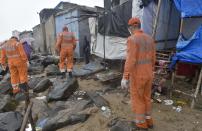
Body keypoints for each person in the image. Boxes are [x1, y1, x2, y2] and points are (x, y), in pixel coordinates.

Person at [121, 17, 156, 130]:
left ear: (132, 27)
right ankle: (149, 121)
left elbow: (131, 60)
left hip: (138, 76)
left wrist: (125, 77)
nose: (129, 30)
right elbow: (153, 59)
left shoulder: (132, 39)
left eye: (129, 28)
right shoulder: (150, 39)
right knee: (146, 98)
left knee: (138, 99)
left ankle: (141, 124)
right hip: (149, 74)